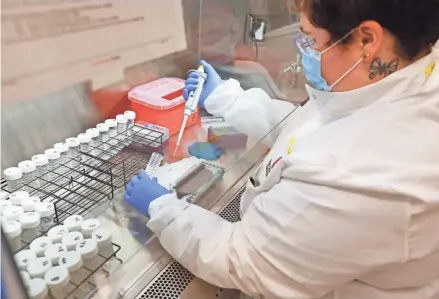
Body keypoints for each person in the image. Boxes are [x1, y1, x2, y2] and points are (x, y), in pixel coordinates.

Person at [124, 0, 439, 298]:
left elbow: (241, 260)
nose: (304, 52)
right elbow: (315, 129)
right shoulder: (408, 80)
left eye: (310, 40)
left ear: (367, 40)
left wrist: (163, 209)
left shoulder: (363, 180)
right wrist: (227, 99)